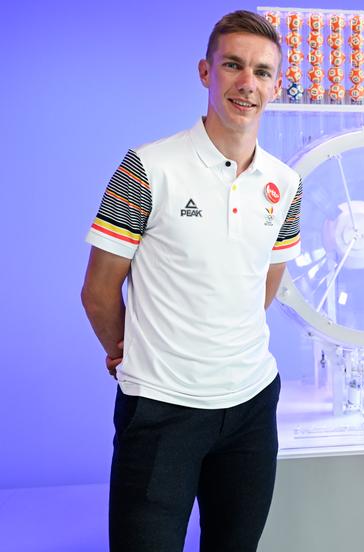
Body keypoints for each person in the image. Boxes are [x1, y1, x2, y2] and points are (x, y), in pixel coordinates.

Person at [80, 10, 302, 551]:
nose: (247, 83)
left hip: (251, 407)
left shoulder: (286, 182)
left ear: (277, 84)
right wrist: (126, 348)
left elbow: (261, 284)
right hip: (161, 408)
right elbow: (98, 289)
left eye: (263, 71)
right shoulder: (147, 167)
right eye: (233, 65)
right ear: (206, 71)